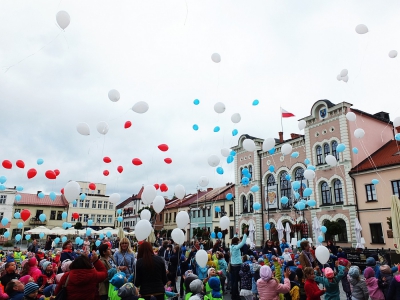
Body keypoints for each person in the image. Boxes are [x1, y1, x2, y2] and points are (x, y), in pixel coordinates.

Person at [230, 228, 248, 300]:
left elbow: (234, 240)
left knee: (234, 281)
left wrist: (236, 234)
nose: (239, 241)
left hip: (232, 265)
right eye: (238, 240)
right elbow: (243, 242)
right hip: (237, 265)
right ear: (237, 242)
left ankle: (234, 295)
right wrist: (245, 234)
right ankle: (236, 295)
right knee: (238, 281)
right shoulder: (236, 247)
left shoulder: (231, 247)